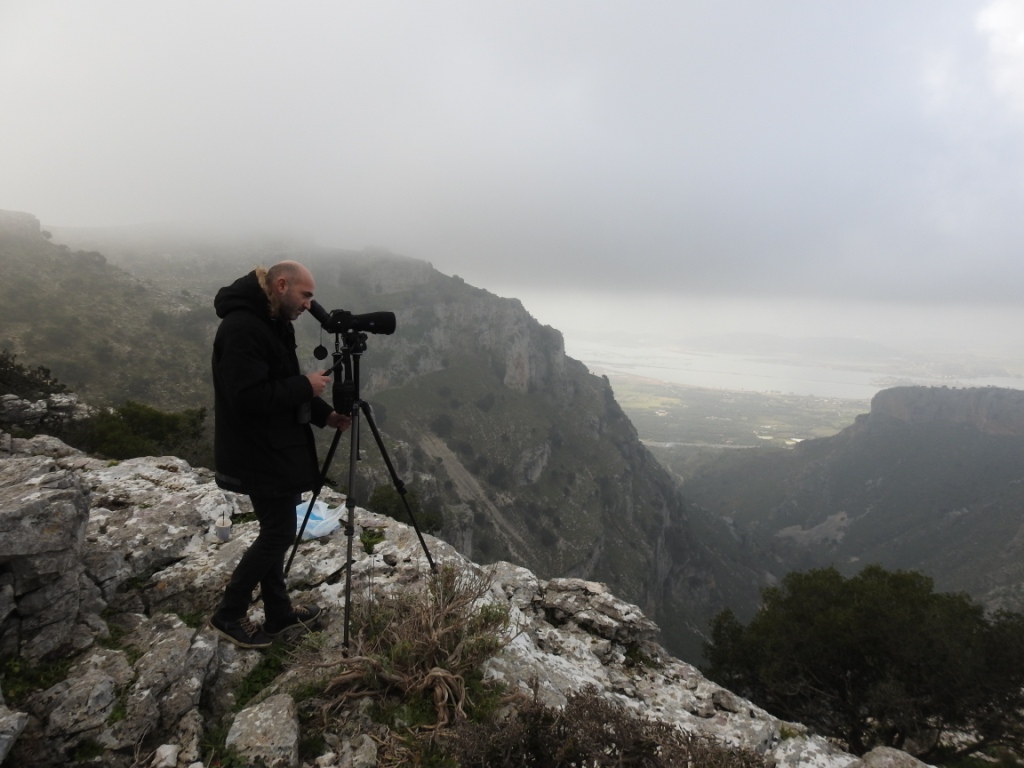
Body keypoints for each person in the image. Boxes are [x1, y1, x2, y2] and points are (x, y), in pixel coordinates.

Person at [209, 260, 350, 648]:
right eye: (306, 295)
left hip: (276, 447)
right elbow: (249, 396)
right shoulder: (242, 328)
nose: (309, 305)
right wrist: (306, 386)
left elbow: (284, 383)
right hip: (257, 451)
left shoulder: (273, 323)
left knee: (276, 530)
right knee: (278, 532)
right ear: (282, 285)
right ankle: (228, 613)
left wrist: (327, 415)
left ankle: (279, 614)